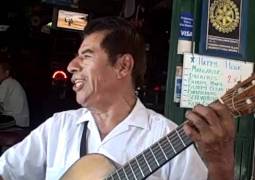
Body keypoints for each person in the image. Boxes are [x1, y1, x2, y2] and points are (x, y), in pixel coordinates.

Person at [0, 17, 235, 180]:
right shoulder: (59, 127)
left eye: (87, 55)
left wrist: (220, 164)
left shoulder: (167, 136)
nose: (72, 66)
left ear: (123, 66)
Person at [0, 58, 30, 128]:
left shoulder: (7, 83)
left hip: (14, 120)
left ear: (7, 72)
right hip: (21, 121)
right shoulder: (13, 82)